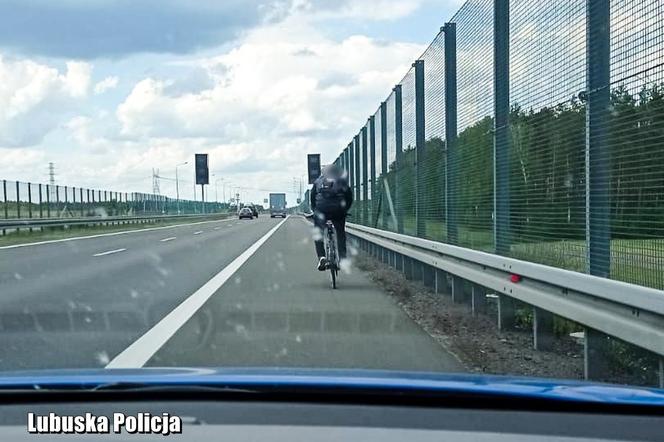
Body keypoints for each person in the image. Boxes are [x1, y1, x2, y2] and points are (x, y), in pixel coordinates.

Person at [310, 164, 353, 271]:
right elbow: (349, 197)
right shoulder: (341, 180)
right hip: (338, 211)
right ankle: (342, 258)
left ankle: (322, 257)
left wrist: (315, 211)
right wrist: (345, 210)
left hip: (321, 210)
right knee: (340, 233)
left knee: (318, 234)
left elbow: (312, 197)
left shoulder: (318, 181)